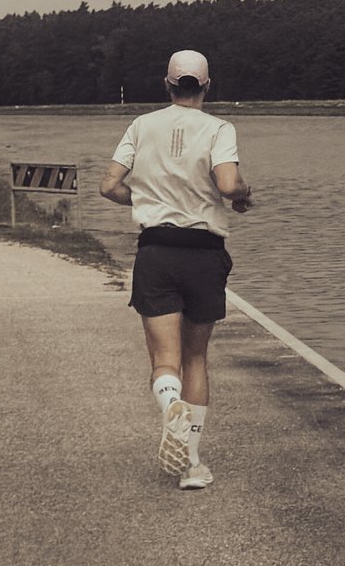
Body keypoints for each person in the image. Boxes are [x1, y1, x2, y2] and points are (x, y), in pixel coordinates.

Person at [100, 50, 251, 489]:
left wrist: (147, 199)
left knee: (165, 361)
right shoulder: (219, 128)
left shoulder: (141, 126)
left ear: (166, 85)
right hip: (203, 253)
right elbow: (228, 184)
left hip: (157, 251)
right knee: (195, 357)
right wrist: (243, 192)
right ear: (207, 85)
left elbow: (108, 186)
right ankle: (192, 466)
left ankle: (170, 405)